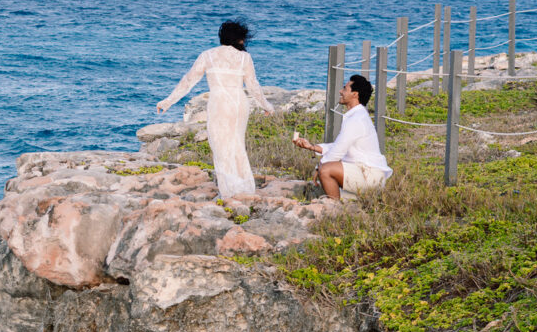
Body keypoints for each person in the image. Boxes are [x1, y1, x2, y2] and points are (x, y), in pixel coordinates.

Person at [156, 21, 274, 198]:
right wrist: (267, 106)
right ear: (239, 39)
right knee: (236, 144)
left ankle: (229, 190)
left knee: (220, 146)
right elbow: (253, 86)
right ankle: (243, 188)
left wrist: (167, 102)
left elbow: (189, 80)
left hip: (219, 103)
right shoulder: (244, 58)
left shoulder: (208, 55)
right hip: (238, 103)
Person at [291, 74, 391, 200]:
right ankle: (344, 201)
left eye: (344, 88)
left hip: (369, 175)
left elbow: (338, 151)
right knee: (326, 171)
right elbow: (339, 146)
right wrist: (312, 147)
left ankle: (334, 209)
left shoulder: (356, 119)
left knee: (326, 169)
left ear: (355, 94)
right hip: (365, 171)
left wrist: (319, 167)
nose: (340, 91)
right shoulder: (357, 116)